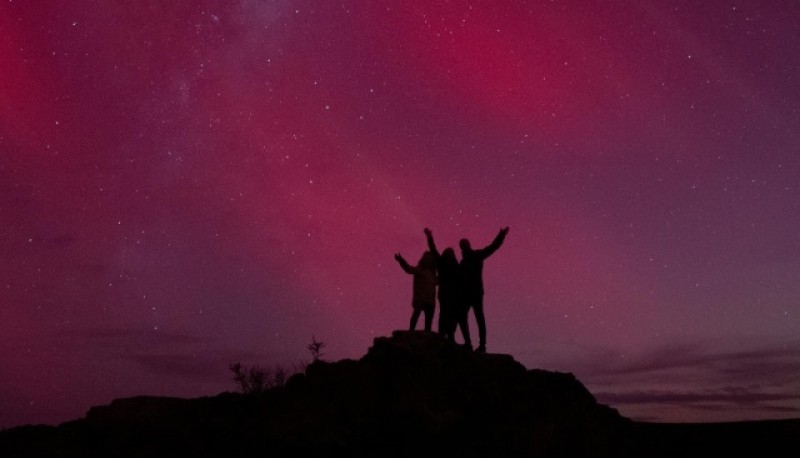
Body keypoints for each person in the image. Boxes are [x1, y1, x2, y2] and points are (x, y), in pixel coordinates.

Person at [459, 227, 509, 353]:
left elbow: (492, 247)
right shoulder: (465, 261)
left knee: (476, 318)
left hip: (474, 293)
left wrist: (501, 235)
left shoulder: (474, 256)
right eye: (462, 245)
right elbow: (492, 247)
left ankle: (478, 345)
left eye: (463, 245)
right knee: (470, 317)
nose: (463, 247)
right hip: (471, 293)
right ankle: (472, 344)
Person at [424, 228, 471, 348]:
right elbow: (433, 250)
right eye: (449, 253)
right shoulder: (449, 265)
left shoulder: (449, 266)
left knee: (449, 316)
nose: (450, 255)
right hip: (448, 294)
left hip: (451, 295)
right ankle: (445, 337)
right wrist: (429, 237)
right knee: (446, 315)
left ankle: (448, 337)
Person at [394, 251, 437, 331]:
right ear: (424, 259)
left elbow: (438, 282)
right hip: (420, 298)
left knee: (428, 320)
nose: (429, 261)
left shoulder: (432, 274)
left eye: (431, 260)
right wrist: (401, 261)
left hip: (430, 300)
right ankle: (411, 331)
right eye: (427, 259)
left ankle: (427, 334)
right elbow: (409, 269)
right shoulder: (419, 269)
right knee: (416, 314)